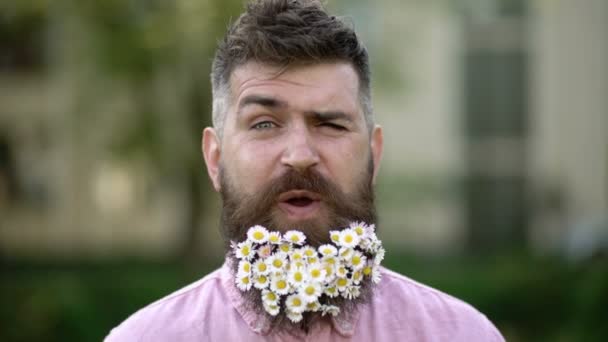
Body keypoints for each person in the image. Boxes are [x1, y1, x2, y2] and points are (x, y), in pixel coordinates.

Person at [105, 0, 505, 340]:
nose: (300, 154)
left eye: (330, 124)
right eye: (264, 124)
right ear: (215, 158)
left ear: (373, 157)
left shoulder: (461, 334)